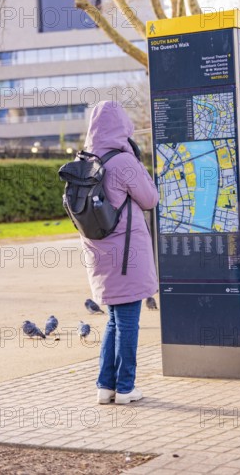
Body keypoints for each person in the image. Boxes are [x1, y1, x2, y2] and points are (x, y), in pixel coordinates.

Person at [81, 100, 159, 405]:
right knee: (127, 323)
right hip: (127, 256)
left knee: (114, 321)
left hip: (99, 253)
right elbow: (150, 199)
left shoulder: (87, 160)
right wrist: (137, 162)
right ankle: (126, 387)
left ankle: (106, 386)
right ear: (122, 127)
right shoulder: (123, 162)